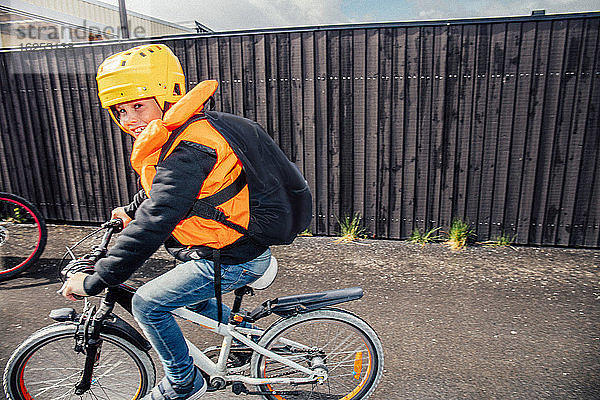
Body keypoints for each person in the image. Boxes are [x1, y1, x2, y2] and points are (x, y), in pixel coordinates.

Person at [60, 44, 273, 400]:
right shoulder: (180, 133)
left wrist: (98, 279)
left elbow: (157, 219)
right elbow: (165, 191)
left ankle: (183, 382)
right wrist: (130, 209)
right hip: (222, 245)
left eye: (139, 105)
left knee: (148, 303)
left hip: (233, 256)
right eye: (120, 110)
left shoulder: (190, 148)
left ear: (169, 97)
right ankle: (245, 334)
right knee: (181, 297)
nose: (130, 119)